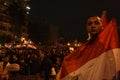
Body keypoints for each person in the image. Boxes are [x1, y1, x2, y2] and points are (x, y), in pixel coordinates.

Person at [57, 15, 120, 80]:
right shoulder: (82, 51)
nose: (93, 26)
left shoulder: (108, 47)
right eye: (90, 24)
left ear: (102, 26)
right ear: (87, 28)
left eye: (96, 23)